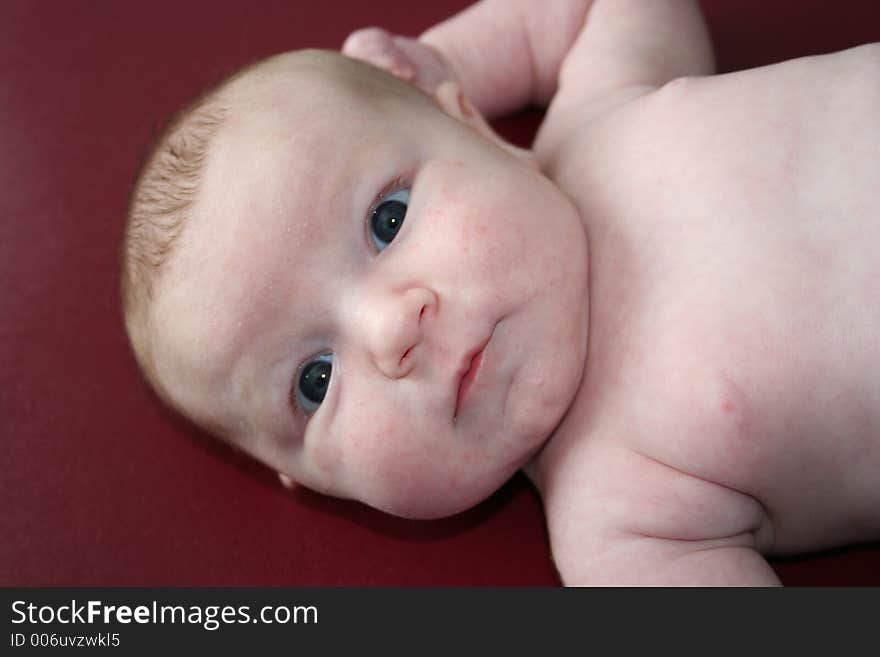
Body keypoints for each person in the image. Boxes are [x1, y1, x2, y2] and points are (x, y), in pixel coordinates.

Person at [120, 0, 880, 585]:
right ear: (323, 487)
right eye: (315, 382)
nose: (392, 329)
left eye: (389, 219)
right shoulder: (621, 520)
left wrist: (442, 56)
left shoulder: (595, 119)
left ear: (472, 124)